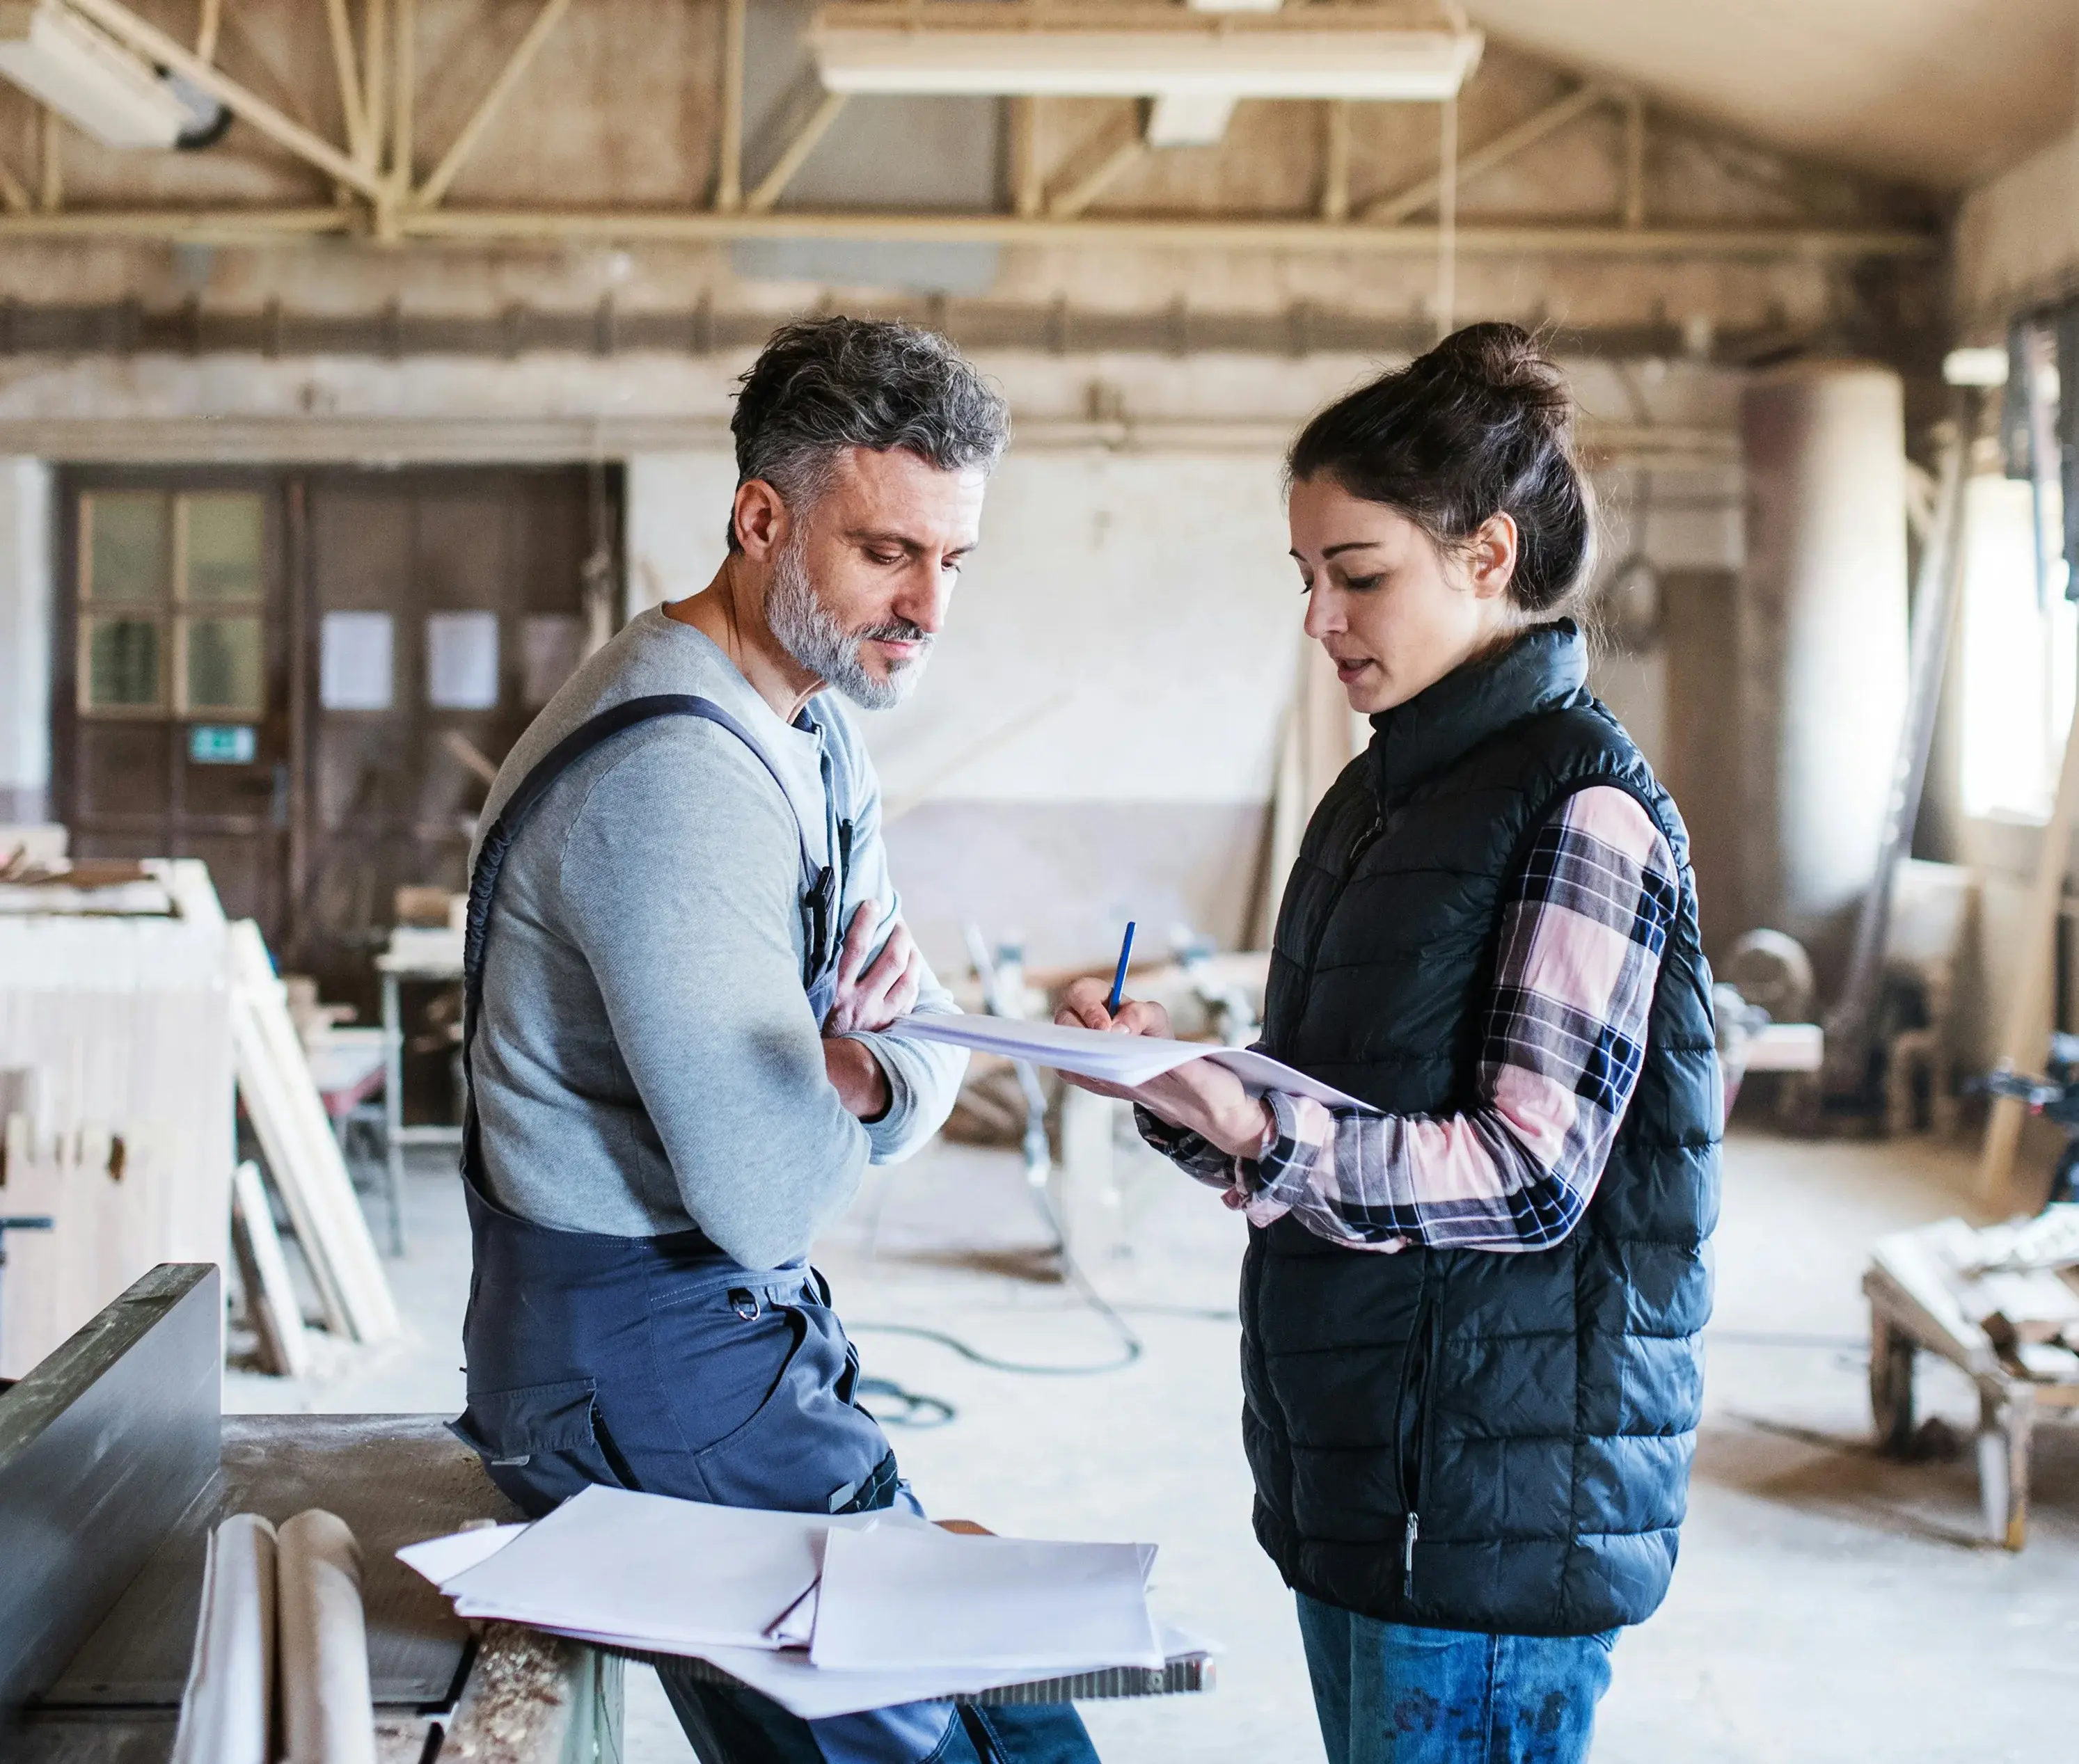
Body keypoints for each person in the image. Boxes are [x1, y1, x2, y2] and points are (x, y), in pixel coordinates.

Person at [1057, 324, 1719, 1764]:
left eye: (1356, 575)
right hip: (1368, 1479)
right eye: (1304, 580)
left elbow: (1528, 1175)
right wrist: (1180, 1089)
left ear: (1486, 557)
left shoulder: (1576, 806)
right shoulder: (1375, 804)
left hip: (1485, 1514)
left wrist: (1255, 1124)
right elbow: (1329, 1124)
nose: (1319, 619)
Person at [454, 317, 1100, 1764]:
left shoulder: (812, 729)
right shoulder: (680, 774)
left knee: (1012, 1707)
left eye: (952, 562)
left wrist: (862, 1059)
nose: (927, 604)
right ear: (760, 519)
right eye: (886, 553)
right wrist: (866, 1067)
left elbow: (913, 1018)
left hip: (725, 1340)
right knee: (969, 1749)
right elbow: (769, 1197)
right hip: (637, 1366)